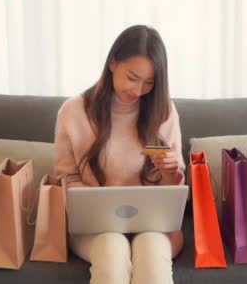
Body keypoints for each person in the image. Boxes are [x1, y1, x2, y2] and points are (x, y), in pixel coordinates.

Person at [54, 25, 185, 284]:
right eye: (132, 77)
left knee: (152, 250)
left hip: (153, 225)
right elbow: (65, 178)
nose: (137, 90)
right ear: (113, 62)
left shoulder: (163, 111)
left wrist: (172, 172)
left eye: (149, 83)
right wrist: (99, 207)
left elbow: (173, 192)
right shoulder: (73, 112)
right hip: (94, 227)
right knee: (112, 250)